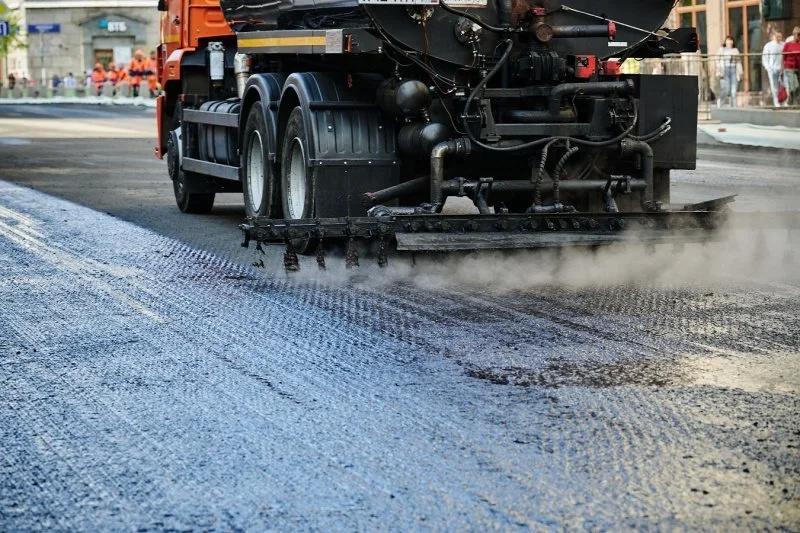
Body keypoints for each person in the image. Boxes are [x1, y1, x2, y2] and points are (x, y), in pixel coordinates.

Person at [716, 36, 742, 108]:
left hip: (733, 70)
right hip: (724, 71)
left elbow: (738, 62)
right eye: (728, 40)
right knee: (725, 89)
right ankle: (720, 102)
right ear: (726, 41)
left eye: (731, 40)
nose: (730, 42)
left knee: (733, 91)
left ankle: (734, 107)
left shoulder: (735, 50)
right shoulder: (721, 49)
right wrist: (718, 70)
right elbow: (717, 60)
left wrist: (740, 73)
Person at [763, 31, 785, 107]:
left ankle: (783, 100)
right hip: (772, 69)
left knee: (783, 85)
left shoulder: (783, 44)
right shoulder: (768, 45)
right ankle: (776, 102)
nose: (779, 38)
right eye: (778, 36)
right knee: (774, 86)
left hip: (781, 68)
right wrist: (767, 67)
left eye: (780, 37)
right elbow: (765, 57)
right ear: (774, 36)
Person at [783, 27, 800, 105]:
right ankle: (794, 101)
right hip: (789, 68)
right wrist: (782, 67)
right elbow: (783, 56)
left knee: (797, 86)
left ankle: (793, 100)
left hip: (798, 68)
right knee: (795, 86)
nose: (798, 36)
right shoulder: (788, 44)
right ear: (794, 35)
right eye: (798, 34)